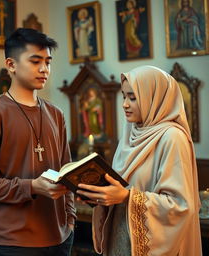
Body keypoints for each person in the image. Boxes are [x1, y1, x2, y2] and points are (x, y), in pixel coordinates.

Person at [0, 28, 76, 256]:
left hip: (61, 238)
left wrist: (70, 219)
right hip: (13, 244)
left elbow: (68, 169)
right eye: (35, 61)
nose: (44, 69)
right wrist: (32, 186)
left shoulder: (56, 114)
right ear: (11, 64)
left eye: (48, 62)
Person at [76, 66, 202, 255]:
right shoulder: (130, 132)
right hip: (120, 238)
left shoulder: (172, 137)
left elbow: (180, 206)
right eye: (124, 96)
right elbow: (119, 184)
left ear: (154, 98)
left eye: (133, 98)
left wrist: (127, 197)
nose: (125, 104)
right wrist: (100, 195)